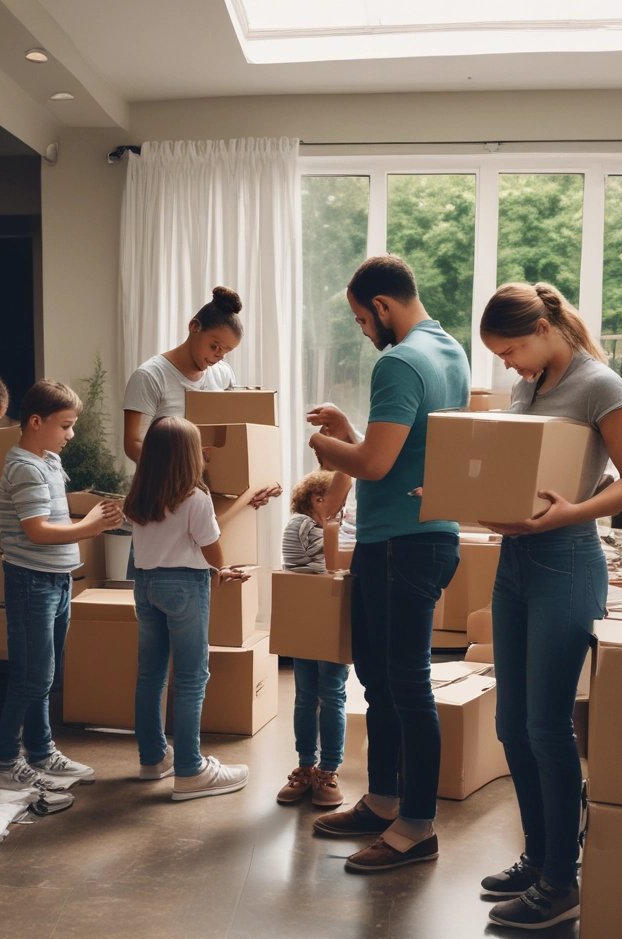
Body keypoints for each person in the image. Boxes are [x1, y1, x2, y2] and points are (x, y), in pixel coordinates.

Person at [476, 282, 622, 929]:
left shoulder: (599, 384)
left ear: (546, 326)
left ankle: (561, 883)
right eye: (500, 356)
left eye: (512, 349)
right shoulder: (528, 389)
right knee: (510, 725)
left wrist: (574, 511)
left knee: (547, 727)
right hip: (516, 562)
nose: (509, 365)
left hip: (568, 561)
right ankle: (539, 856)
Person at [307, 255, 469, 874]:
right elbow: (404, 447)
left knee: (404, 684)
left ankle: (416, 827)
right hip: (417, 536)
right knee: (378, 679)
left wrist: (326, 446)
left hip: (402, 541)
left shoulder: (398, 361)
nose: (362, 331)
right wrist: (351, 430)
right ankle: (382, 801)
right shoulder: (448, 351)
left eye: (359, 318)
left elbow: (373, 466)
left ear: (382, 305)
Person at [0, 379, 124, 792]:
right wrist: (89, 527)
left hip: (56, 582)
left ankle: (42, 751)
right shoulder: (25, 467)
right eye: (65, 426)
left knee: (46, 676)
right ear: (35, 422)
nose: (71, 434)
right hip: (32, 583)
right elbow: (38, 531)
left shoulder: (46, 460)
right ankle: (5, 760)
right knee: (32, 676)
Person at [123, 416, 250, 801]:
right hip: (184, 586)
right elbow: (209, 543)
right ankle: (191, 770)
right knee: (193, 677)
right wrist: (221, 569)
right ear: (188, 456)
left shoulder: (140, 494)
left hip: (145, 586)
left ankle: (153, 757)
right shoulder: (195, 497)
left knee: (151, 675)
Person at [122, 286, 280, 507]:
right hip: (162, 501)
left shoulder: (223, 374)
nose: (218, 356)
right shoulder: (150, 376)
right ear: (194, 327)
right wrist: (184, 462)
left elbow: (234, 437)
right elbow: (133, 444)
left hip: (211, 498)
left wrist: (253, 485)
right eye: (214, 346)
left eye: (226, 352)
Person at [277, 469, 353, 809]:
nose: (342, 509)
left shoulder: (311, 525)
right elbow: (333, 556)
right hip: (316, 607)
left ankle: (325, 768)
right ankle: (310, 765)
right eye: (338, 502)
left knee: (323, 693)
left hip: (317, 608)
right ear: (319, 500)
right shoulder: (304, 525)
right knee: (314, 693)